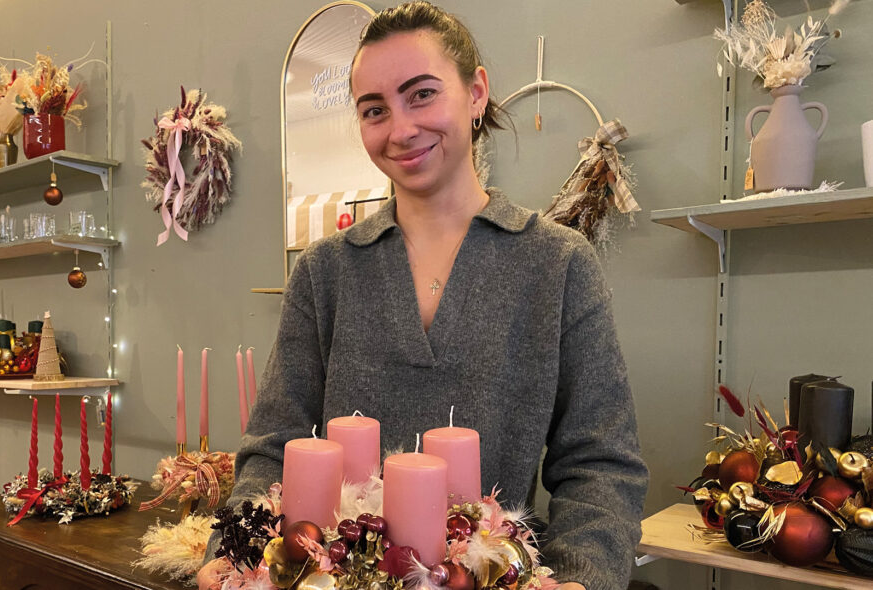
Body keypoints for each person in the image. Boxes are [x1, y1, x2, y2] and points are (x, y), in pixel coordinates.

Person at [205, 3, 648, 589]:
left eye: (421, 94)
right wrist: (234, 551)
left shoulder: (557, 264)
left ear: (476, 93)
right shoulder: (327, 271)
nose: (400, 129)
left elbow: (599, 465)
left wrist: (582, 577)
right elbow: (273, 447)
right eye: (374, 110)